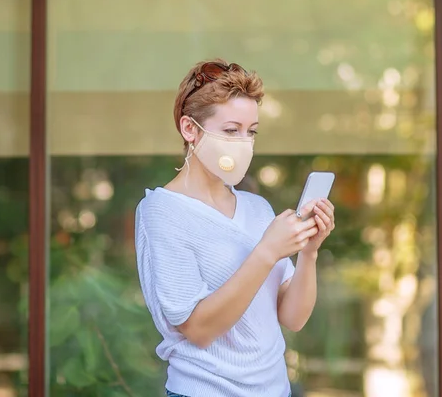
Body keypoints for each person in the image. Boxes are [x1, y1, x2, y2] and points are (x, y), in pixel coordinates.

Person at [134, 59, 336, 397]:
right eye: (231, 130)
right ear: (189, 129)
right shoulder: (161, 211)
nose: (244, 142)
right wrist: (267, 251)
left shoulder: (258, 209)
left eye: (251, 131)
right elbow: (198, 329)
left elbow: (293, 317)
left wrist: (310, 252)